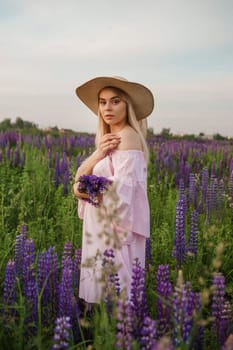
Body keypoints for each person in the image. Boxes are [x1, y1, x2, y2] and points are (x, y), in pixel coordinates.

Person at [73, 76, 154, 304]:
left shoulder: (127, 136)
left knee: (115, 295)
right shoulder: (109, 139)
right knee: (106, 294)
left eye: (115, 101)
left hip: (114, 230)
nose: (107, 107)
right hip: (101, 225)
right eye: (102, 102)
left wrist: (80, 190)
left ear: (127, 105)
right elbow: (81, 177)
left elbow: (119, 192)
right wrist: (98, 154)